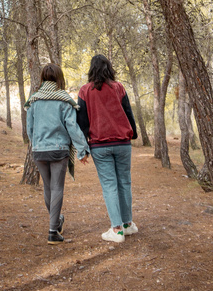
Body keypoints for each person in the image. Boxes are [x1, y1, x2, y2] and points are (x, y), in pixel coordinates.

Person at [26, 63, 90, 244]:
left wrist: (36, 144)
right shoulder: (64, 99)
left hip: (39, 150)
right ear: (59, 78)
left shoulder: (34, 100)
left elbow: (29, 128)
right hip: (59, 150)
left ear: (43, 78)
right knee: (57, 188)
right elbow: (72, 127)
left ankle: (57, 221)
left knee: (48, 188)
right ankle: (53, 231)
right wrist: (82, 150)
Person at [77, 54, 138, 243]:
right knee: (124, 183)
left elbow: (82, 122)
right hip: (122, 144)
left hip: (99, 145)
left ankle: (117, 229)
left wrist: (84, 147)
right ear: (109, 68)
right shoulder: (118, 87)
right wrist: (133, 133)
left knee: (110, 186)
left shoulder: (85, 91)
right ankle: (128, 224)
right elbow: (127, 111)